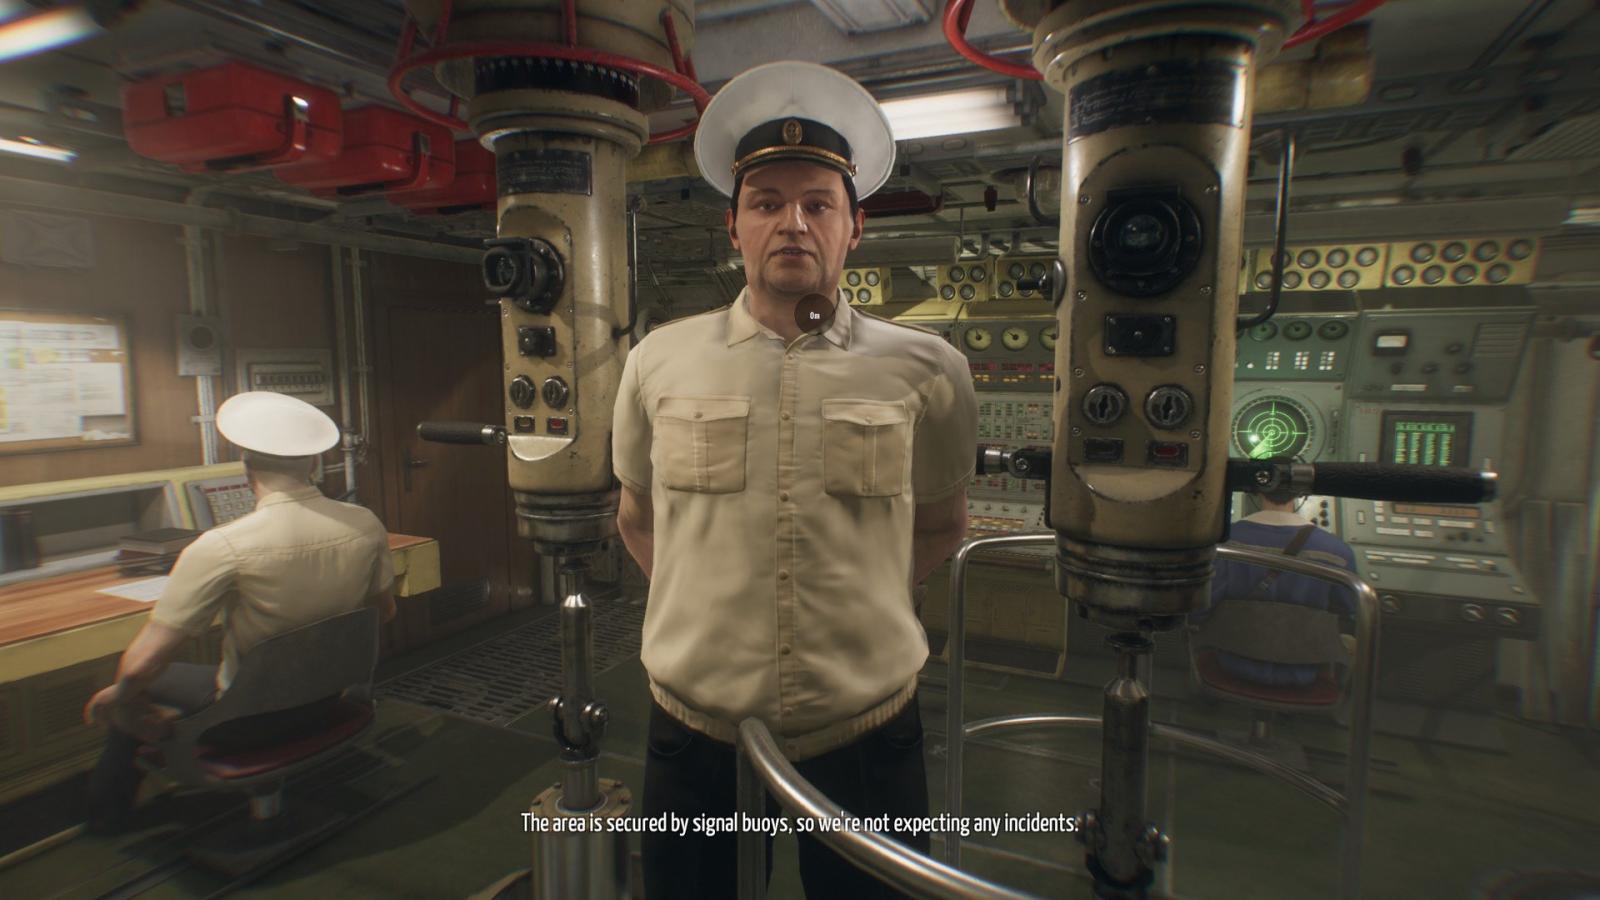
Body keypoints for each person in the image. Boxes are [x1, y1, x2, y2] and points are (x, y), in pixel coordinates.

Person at [611, 61, 978, 899]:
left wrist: (858, 606)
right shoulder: (657, 362)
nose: (792, 224)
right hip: (695, 727)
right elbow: (637, 518)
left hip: (864, 727)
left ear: (855, 227)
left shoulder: (927, 368)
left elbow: (940, 523)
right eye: (766, 203)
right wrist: (709, 606)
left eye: (818, 203)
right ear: (732, 227)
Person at [83, 391, 395, 833]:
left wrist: (118, 698)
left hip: (245, 722)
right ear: (312, 464)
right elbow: (383, 613)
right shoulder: (365, 523)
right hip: (329, 700)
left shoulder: (221, 546)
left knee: (131, 683)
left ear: (247, 471)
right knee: (145, 686)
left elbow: (141, 665)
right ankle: (162, 736)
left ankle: (107, 818)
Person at [1200, 489, 1357, 686]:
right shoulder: (1338, 551)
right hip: (1306, 672)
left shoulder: (1223, 541)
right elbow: (1348, 610)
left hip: (1231, 663)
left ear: (1255, 492)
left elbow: (1204, 605)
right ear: (1302, 494)